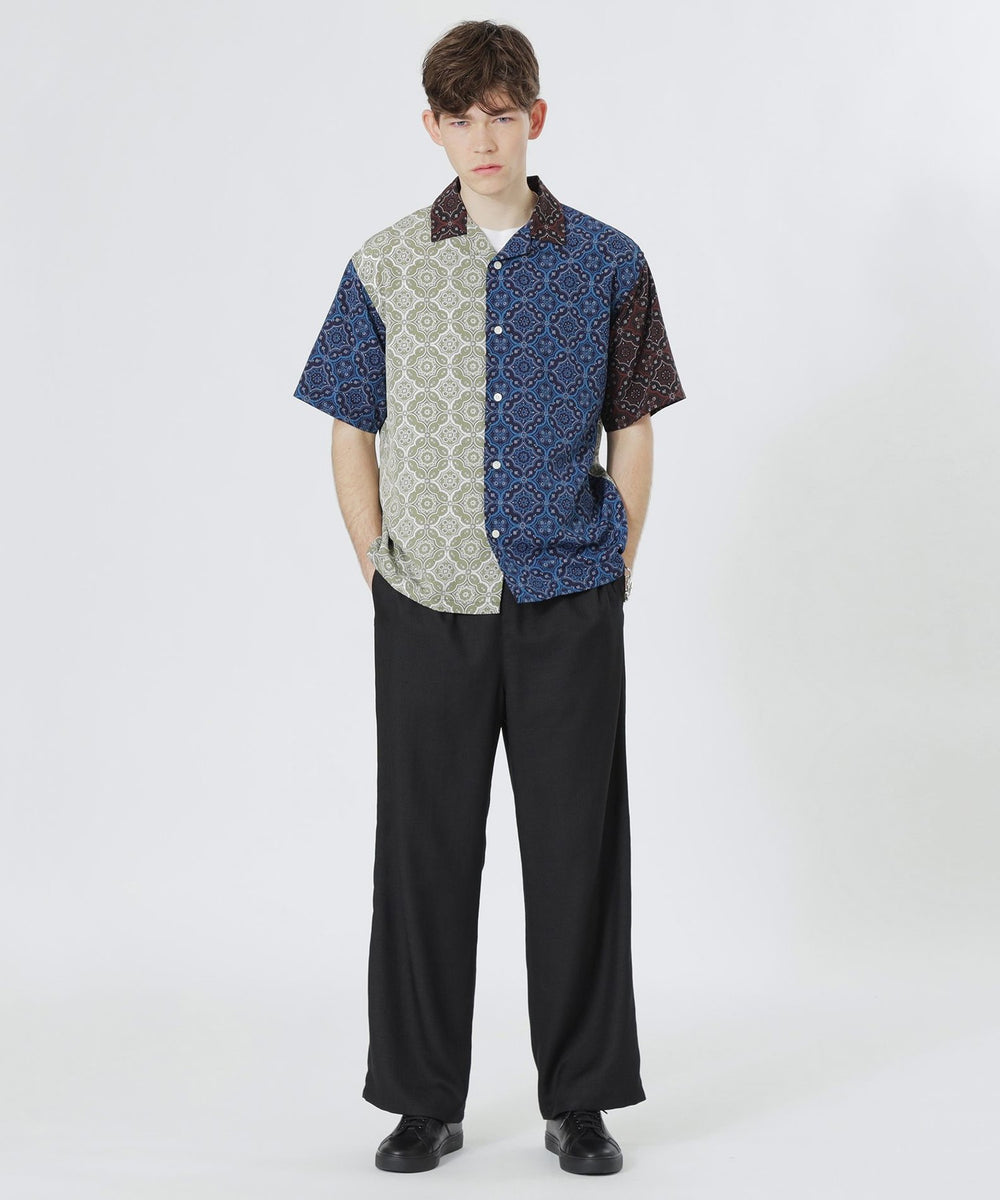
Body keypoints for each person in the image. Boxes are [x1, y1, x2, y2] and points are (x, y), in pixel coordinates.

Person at [292, 19, 686, 1176]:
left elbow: (633, 425)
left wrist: (617, 562)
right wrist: (376, 563)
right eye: (461, 119)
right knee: (422, 851)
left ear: (535, 119)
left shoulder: (609, 261)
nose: (484, 139)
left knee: (578, 853)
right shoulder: (383, 263)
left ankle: (582, 1101)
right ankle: (423, 1101)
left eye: (502, 115)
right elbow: (348, 427)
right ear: (432, 127)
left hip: (569, 595)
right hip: (426, 601)